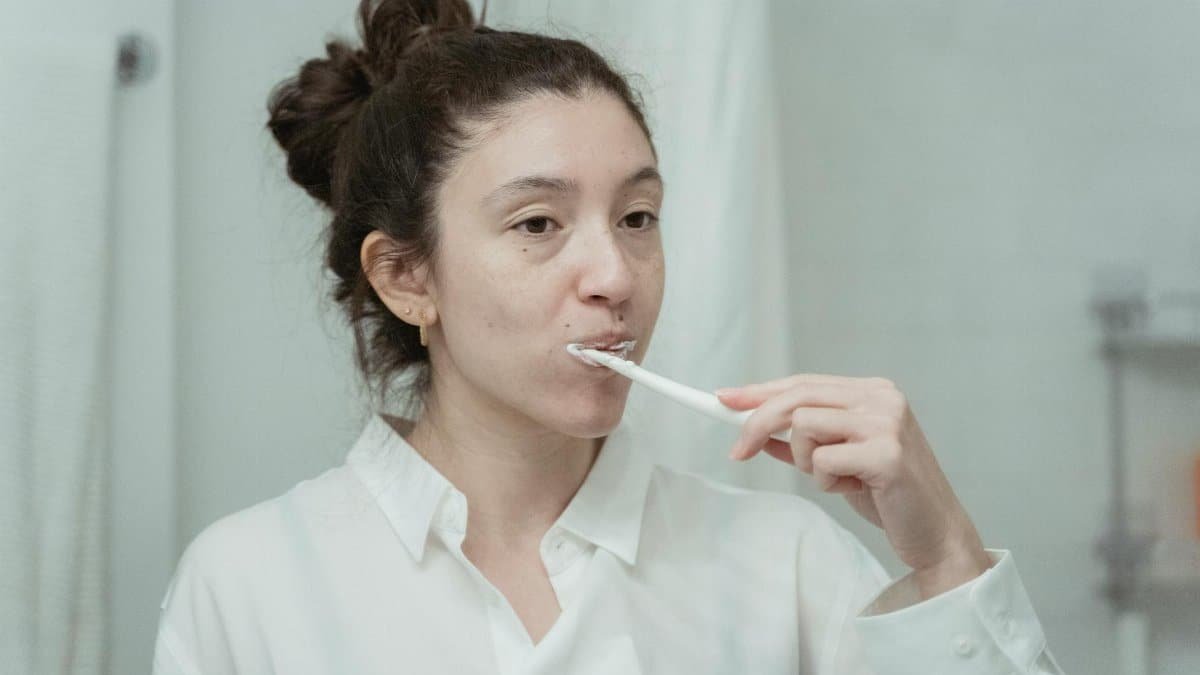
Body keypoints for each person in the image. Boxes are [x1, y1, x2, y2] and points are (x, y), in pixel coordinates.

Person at [152, 1, 1067, 673]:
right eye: (538, 224)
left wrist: (947, 555)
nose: (617, 276)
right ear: (408, 276)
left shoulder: (786, 566)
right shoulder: (250, 584)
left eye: (637, 217)